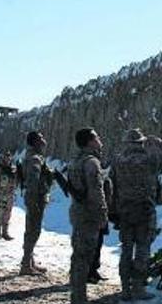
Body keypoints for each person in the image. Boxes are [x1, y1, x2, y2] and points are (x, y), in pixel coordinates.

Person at [111, 129, 162, 301]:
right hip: (145, 212)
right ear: (141, 143)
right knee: (142, 250)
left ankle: (125, 289)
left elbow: (112, 187)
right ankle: (138, 288)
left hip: (125, 212)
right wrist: (157, 141)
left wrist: (114, 212)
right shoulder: (151, 159)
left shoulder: (118, 161)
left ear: (126, 143)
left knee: (125, 250)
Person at [68, 128, 108, 304]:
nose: (100, 140)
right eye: (97, 137)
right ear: (90, 141)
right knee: (84, 258)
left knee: (78, 256)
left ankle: (76, 295)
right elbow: (96, 192)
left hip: (78, 213)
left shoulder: (75, 161)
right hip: (89, 215)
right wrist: (102, 215)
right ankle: (79, 298)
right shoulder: (92, 163)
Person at [21, 131, 55, 275]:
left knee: (32, 229)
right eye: (40, 139)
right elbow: (33, 181)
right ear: (35, 142)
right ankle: (25, 264)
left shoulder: (34, 156)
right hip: (36, 198)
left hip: (35, 198)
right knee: (33, 231)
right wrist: (34, 200)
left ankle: (29, 262)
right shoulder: (35, 158)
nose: (44, 141)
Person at [0, 150, 17, 241]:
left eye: (9, 156)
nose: (8, 158)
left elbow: (15, 181)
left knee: (7, 214)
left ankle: (5, 232)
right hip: (1, 194)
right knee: (0, 214)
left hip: (10, 194)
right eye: (6, 156)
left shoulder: (12, 168)